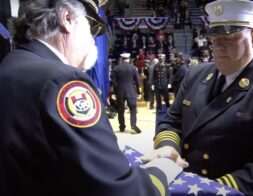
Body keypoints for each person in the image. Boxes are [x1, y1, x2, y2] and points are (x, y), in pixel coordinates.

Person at [0, 0, 183, 195]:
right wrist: (163, 168)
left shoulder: (11, 65)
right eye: (92, 27)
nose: (93, 39)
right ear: (67, 18)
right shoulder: (62, 81)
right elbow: (119, 190)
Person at [142, 0, 253, 195]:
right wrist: (167, 147)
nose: (218, 46)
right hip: (185, 186)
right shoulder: (195, 75)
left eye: (229, 37)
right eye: (215, 38)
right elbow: (172, 122)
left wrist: (207, 190)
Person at [111, 53, 142, 133]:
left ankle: (122, 127)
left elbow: (113, 82)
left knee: (120, 111)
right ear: (129, 59)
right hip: (130, 91)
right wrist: (139, 92)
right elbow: (137, 81)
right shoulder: (133, 68)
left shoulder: (116, 68)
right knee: (133, 109)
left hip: (120, 92)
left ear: (121, 59)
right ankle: (133, 124)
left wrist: (114, 93)